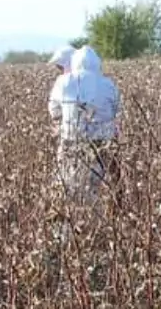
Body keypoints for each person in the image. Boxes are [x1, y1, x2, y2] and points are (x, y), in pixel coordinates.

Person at [48, 45, 122, 201]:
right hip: (103, 145)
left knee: (68, 187)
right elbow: (116, 110)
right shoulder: (108, 84)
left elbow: (54, 110)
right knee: (100, 188)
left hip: (71, 144)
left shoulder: (63, 82)